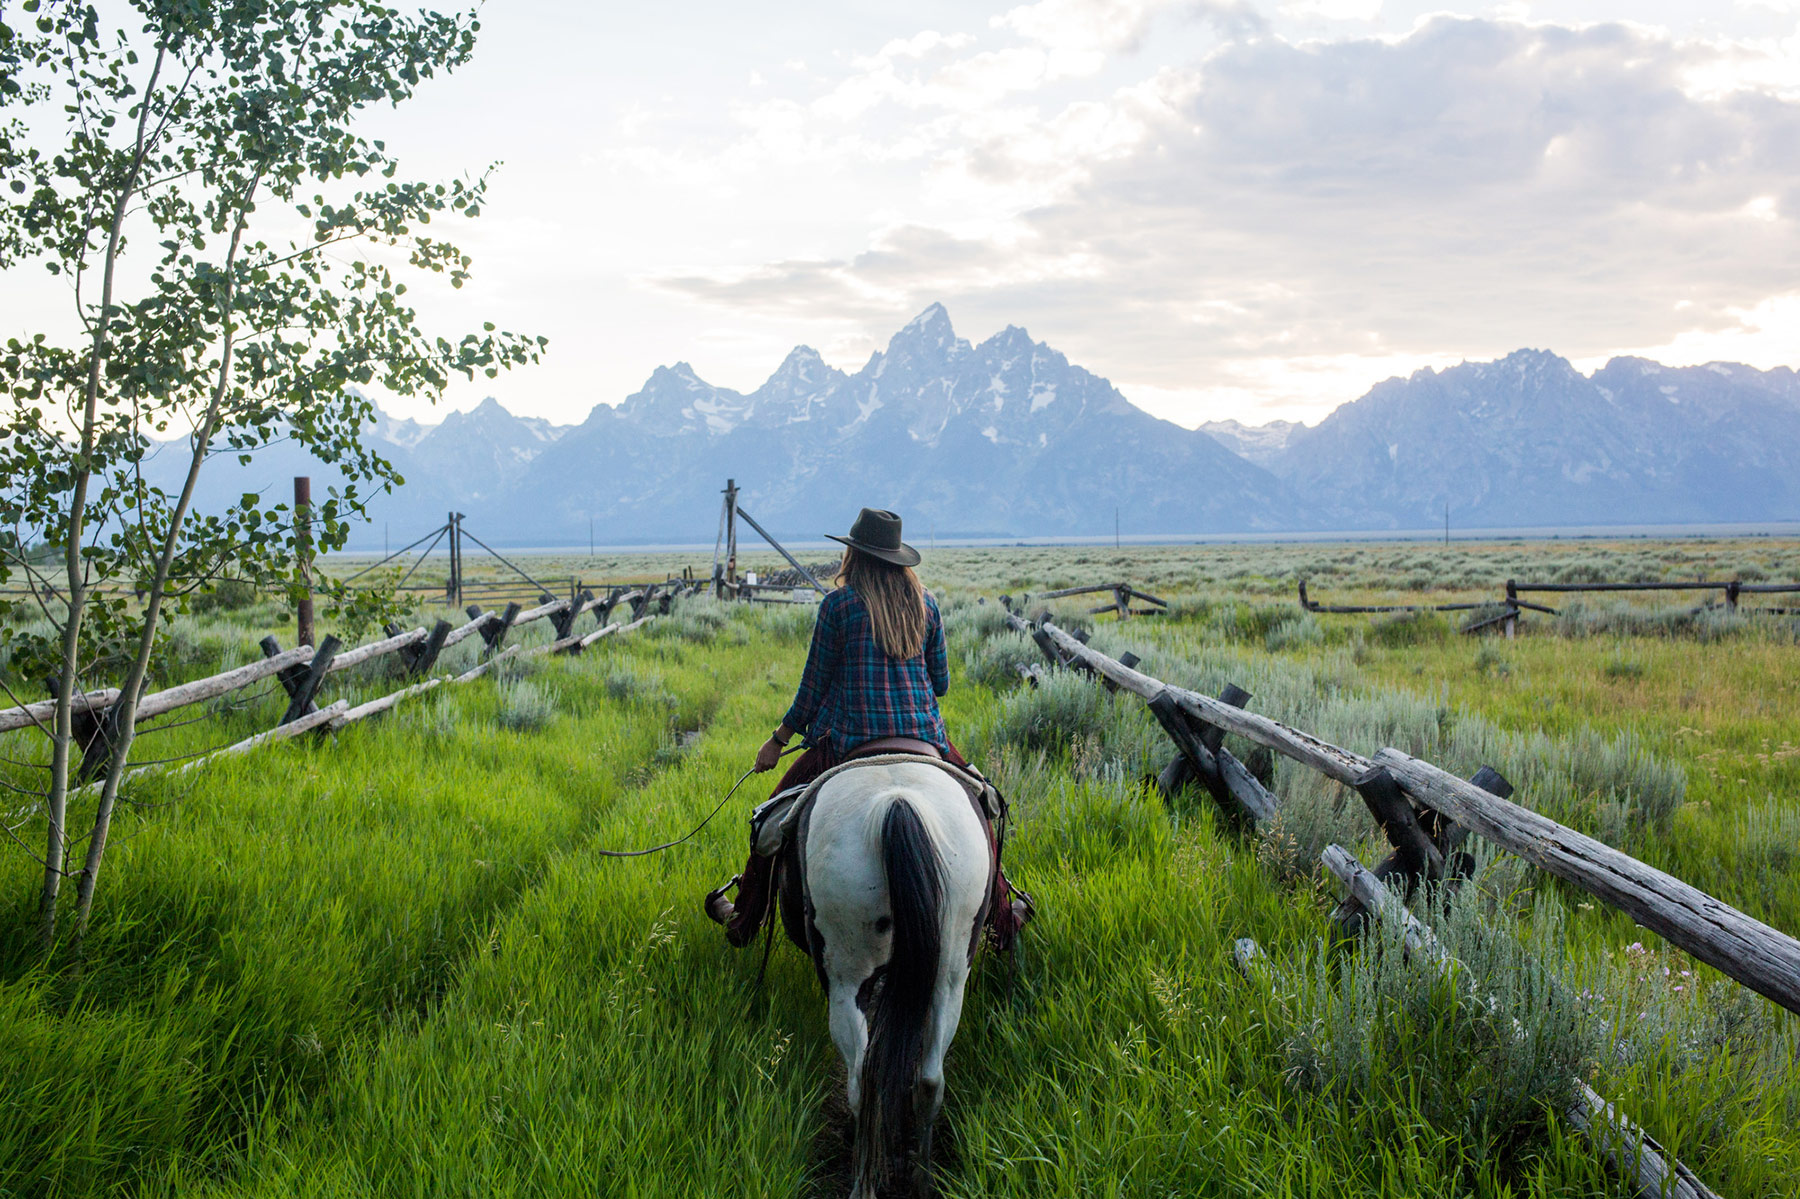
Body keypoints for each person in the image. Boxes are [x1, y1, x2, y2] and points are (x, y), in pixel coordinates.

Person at [704, 507, 1030, 951]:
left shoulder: (838, 606)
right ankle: (1000, 919)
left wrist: (777, 741)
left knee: (770, 821)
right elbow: (943, 683)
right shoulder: (926, 604)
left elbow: (811, 691)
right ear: (896, 557)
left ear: (854, 555)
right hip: (925, 738)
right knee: (983, 810)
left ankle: (744, 919)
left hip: (851, 742)